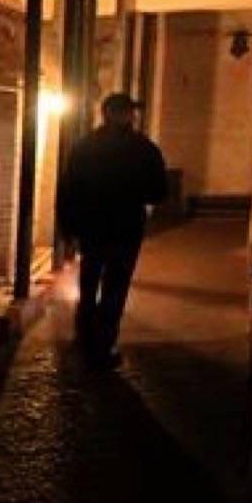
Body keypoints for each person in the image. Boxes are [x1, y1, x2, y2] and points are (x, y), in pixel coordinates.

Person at [58, 92, 167, 368]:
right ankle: (103, 345)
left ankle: (84, 338)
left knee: (89, 281)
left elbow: (68, 190)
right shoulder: (144, 149)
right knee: (115, 287)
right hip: (126, 227)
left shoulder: (84, 148)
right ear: (128, 115)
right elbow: (158, 192)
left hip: (93, 227)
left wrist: (69, 228)